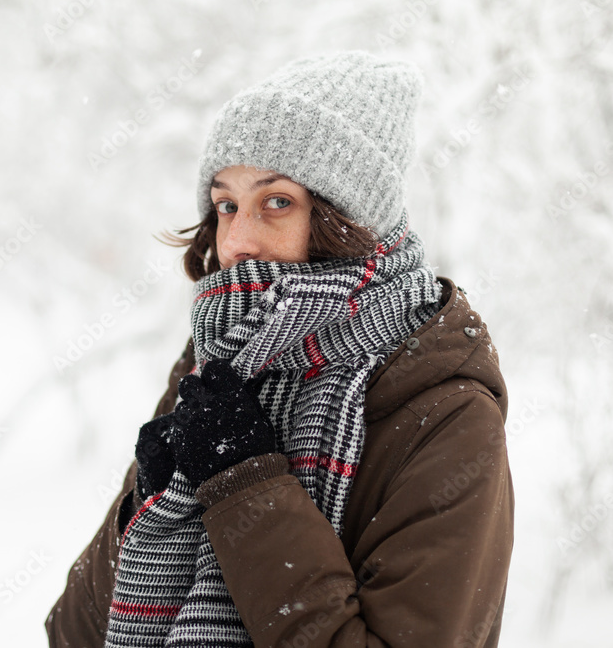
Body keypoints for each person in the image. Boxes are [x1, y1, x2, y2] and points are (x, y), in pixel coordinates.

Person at [45, 51, 514, 648]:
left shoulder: (444, 412)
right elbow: (72, 633)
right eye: (226, 205)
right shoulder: (222, 358)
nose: (237, 240)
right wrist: (148, 506)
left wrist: (245, 486)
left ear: (348, 220)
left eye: (277, 202)